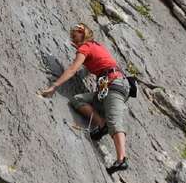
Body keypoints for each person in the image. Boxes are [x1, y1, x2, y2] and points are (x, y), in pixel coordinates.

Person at [41, 23, 130, 174]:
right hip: (109, 86)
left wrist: (54, 86)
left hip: (114, 84)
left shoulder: (86, 47)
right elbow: (95, 66)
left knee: (115, 120)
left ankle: (122, 159)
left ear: (83, 34)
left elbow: (72, 69)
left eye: (75, 37)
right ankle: (102, 125)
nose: (74, 40)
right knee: (77, 100)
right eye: (72, 38)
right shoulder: (95, 46)